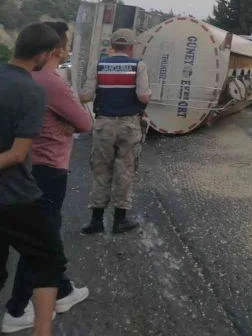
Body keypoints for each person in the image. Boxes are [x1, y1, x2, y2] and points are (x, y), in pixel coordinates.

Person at [3, 22, 92, 331]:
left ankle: (56, 295)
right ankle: (23, 316)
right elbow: (17, 153)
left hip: (19, 180)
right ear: (46, 53)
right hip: (30, 179)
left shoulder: (12, 78)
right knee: (45, 251)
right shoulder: (40, 86)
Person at [0, 23, 68, 336]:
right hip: (14, 195)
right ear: (42, 55)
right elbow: (17, 154)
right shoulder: (31, 90)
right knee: (49, 258)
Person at [79, 29, 151, 235]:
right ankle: (120, 221)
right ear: (131, 47)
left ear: (112, 45)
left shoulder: (99, 66)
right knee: (125, 170)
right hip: (129, 125)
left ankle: (96, 221)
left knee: (101, 170)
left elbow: (85, 96)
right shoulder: (139, 66)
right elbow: (143, 97)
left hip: (104, 124)